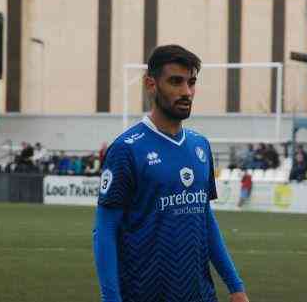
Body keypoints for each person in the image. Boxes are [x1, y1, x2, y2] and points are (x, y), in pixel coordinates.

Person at [93, 45, 248, 302]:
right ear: (151, 84)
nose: (187, 92)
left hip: (200, 295)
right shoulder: (126, 149)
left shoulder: (200, 146)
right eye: (176, 82)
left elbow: (205, 220)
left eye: (191, 83)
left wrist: (235, 286)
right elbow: (105, 229)